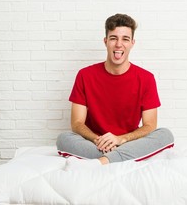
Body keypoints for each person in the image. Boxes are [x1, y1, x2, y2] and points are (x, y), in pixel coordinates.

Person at [56, 14, 174, 170]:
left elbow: (150, 125)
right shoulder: (85, 75)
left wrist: (120, 139)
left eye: (125, 39)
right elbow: (77, 123)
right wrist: (99, 140)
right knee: (63, 139)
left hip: (127, 141)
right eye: (113, 38)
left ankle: (101, 162)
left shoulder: (146, 78)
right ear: (106, 42)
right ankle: (120, 157)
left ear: (132, 43)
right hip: (95, 142)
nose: (119, 44)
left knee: (165, 135)